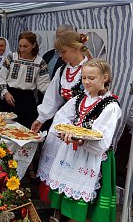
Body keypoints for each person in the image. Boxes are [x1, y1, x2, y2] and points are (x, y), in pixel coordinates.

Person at [40, 59, 121, 222]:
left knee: (84, 207)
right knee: (68, 202)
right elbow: (61, 118)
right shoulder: (79, 99)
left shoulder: (110, 106)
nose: (86, 82)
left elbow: (101, 139)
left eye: (91, 78)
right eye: (84, 78)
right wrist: (63, 131)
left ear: (104, 78)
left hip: (93, 158)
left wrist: (81, 140)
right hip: (72, 155)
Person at [32, 31, 90, 201]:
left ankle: (67, 206)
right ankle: (53, 204)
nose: (60, 56)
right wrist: (41, 119)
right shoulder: (62, 70)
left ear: (74, 48)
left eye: (63, 52)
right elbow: (52, 97)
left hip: (80, 124)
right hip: (62, 121)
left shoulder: (89, 70)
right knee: (53, 155)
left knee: (70, 164)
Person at [0, 31, 50, 128]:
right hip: (10, 96)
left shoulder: (40, 62)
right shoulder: (11, 57)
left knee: (24, 129)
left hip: (27, 100)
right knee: (4, 128)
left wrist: (54, 95)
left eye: (25, 46)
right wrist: (5, 92)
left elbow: (43, 85)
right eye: (20, 46)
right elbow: (1, 77)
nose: (22, 49)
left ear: (33, 45)